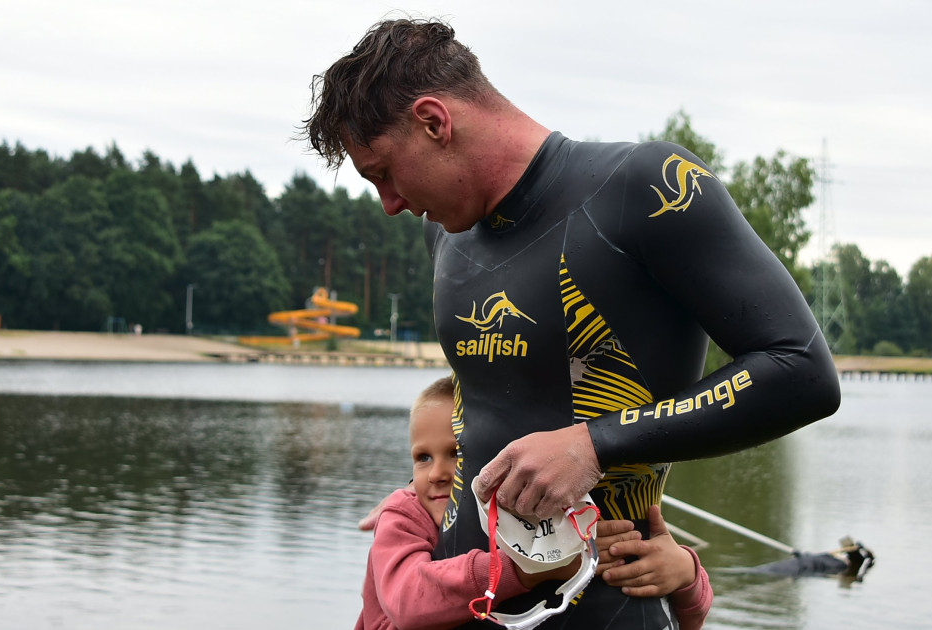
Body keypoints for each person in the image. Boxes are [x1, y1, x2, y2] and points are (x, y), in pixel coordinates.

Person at [305, 17, 840, 628]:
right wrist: (418, 502)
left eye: (383, 172)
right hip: (466, 603)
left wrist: (593, 445)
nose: (389, 203)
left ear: (434, 122)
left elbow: (800, 370)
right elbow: (494, 408)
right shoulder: (447, 232)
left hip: (608, 605)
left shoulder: (644, 187)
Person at [357, 377, 712, 630]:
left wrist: (686, 574)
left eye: (458, 454)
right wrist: (526, 570)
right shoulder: (403, 515)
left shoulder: (541, 513)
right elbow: (407, 602)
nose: (437, 473)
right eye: (422, 457)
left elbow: (680, 619)